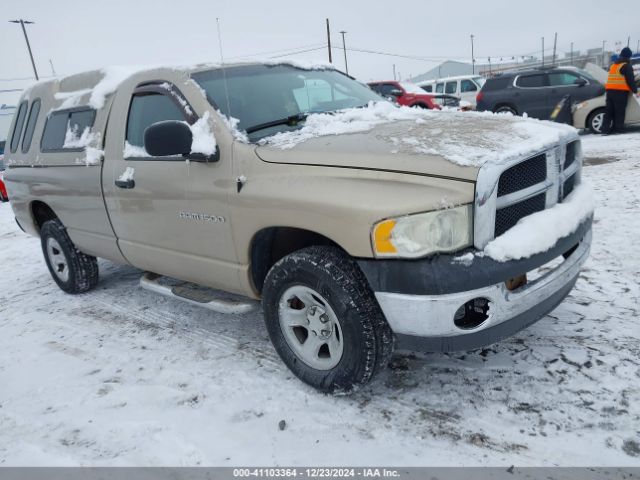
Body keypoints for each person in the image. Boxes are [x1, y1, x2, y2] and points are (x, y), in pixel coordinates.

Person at [603, 47, 639, 134]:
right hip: (620, 92)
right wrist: (635, 91)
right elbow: (630, 80)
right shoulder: (626, 65)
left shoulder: (614, 65)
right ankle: (618, 130)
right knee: (619, 112)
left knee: (609, 111)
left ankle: (605, 130)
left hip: (609, 91)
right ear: (628, 56)